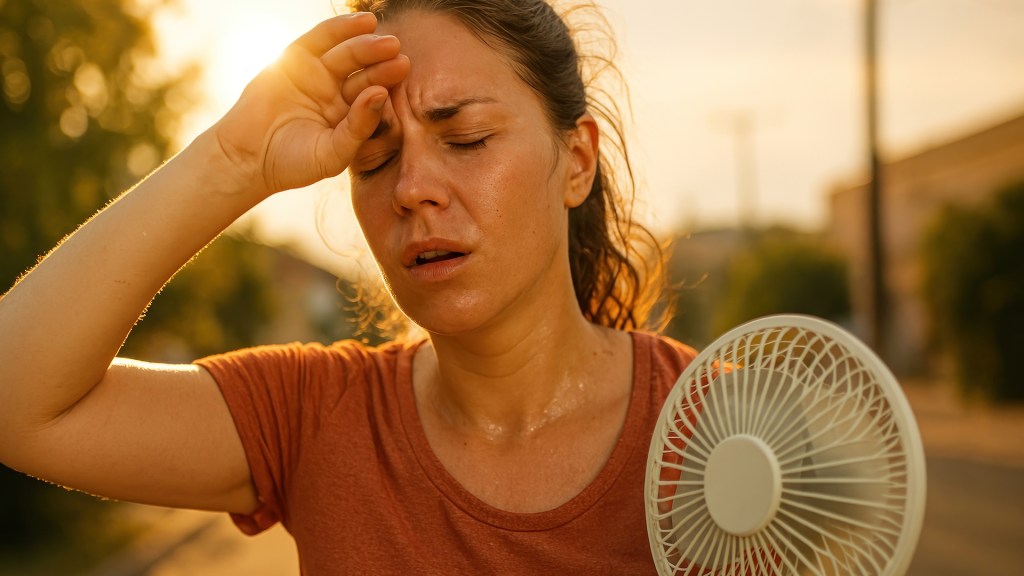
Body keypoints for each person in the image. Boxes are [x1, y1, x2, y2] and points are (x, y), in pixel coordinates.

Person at [0, 0, 696, 573]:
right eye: (376, 157)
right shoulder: (311, 417)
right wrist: (234, 159)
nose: (412, 189)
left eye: (468, 139)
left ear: (576, 162)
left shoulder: (723, 431)